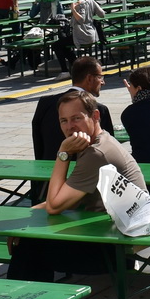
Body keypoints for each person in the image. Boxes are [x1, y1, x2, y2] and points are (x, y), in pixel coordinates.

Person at [12, 89, 145, 291]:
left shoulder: (96, 153)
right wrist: (31, 215)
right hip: (114, 236)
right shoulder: (101, 141)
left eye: (76, 118)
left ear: (95, 116)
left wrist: (63, 153)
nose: (69, 126)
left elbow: (55, 205)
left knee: (30, 248)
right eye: (63, 121)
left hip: (121, 249)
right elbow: (65, 199)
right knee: (31, 243)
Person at [31, 56, 108, 201]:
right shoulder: (99, 110)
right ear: (90, 78)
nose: (103, 82)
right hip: (83, 190)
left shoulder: (44, 103)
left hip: (46, 181)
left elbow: (38, 144)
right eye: (100, 77)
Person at [63, 0, 105, 69]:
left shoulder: (79, 4)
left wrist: (73, 10)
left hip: (82, 35)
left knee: (57, 45)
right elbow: (102, 14)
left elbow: (81, 19)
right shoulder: (91, 1)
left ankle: (72, 67)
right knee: (62, 43)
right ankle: (75, 65)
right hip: (93, 34)